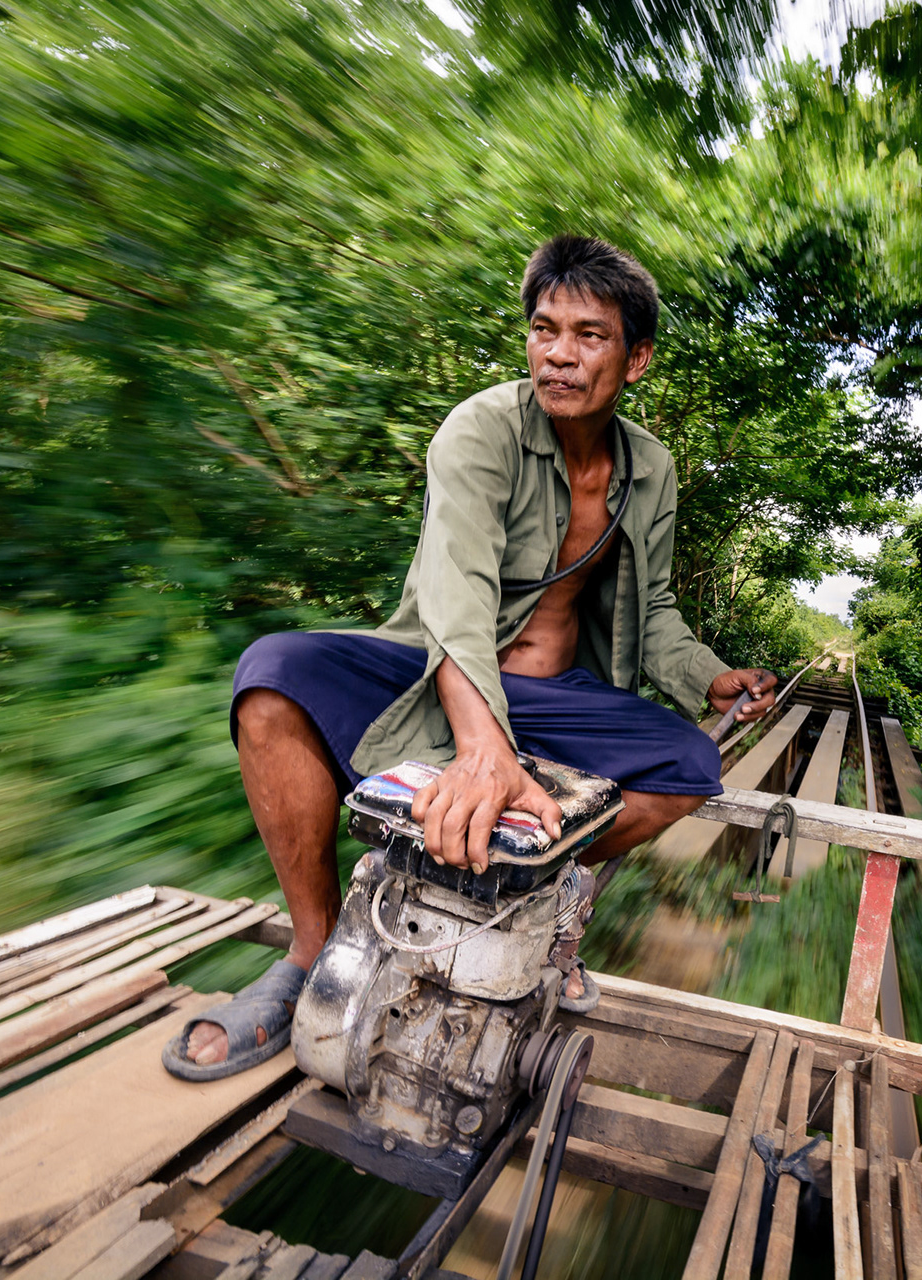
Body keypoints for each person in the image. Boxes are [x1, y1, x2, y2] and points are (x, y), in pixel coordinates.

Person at [163, 234, 777, 1080]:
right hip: (436, 668)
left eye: (588, 335)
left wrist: (709, 676)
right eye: (543, 328)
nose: (558, 354)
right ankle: (310, 953)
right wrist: (484, 752)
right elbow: (454, 601)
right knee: (272, 678)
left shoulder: (652, 469)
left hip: (558, 689)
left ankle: (538, 900)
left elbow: (658, 609)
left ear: (635, 359)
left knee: (688, 764)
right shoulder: (480, 430)